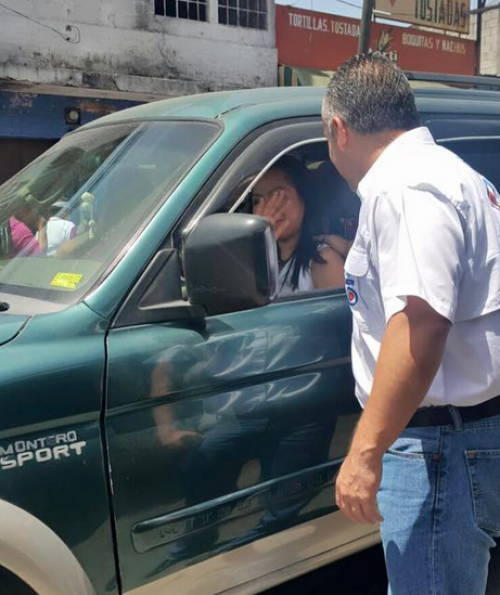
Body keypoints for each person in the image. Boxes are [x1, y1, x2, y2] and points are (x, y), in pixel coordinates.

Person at [322, 53, 500, 594]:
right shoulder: (451, 174)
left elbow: (421, 325)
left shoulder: (404, 188)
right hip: (459, 436)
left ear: (339, 130)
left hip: (438, 447)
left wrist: (365, 453)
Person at [251, 156, 345, 296]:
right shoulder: (257, 260)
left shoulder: (323, 261)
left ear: (303, 198)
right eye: (257, 201)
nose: (268, 208)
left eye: (278, 195)